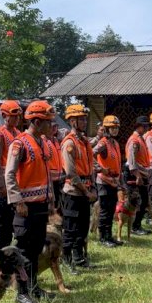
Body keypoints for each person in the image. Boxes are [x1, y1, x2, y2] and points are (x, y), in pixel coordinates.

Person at [4, 100, 56, 303]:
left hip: (40, 206)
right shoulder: (20, 144)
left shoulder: (42, 142)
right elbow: (9, 174)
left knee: (35, 249)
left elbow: (45, 174)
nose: (50, 126)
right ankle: (22, 292)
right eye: (47, 122)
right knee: (24, 250)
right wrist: (18, 201)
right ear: (35, 121)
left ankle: (34, 286)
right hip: (25, 208)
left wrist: (50, 197)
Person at [60, 104, 97, 271]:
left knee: (82, 228)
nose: (84, 121)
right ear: (72, 121)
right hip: (74, 193)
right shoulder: (69, 143)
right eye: (81, 119)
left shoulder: (83, 141)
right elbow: (71, 172)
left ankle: (79, 258)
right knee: (70, 228)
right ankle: (66, 259)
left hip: (85, 191)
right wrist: (86, 191)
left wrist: (92, 188)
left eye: (84, 118)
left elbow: (90, 168)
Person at [0, 100, 22, 248]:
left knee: (14, 221)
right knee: (2, 224)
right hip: (3, 187)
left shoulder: (19, 134)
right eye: (13, 116)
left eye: (18, 116)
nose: (16, 119)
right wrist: (0, 186)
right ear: (4, 116)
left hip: (15, 184)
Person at [93, 115, 125, 248]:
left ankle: (109, 236)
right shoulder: (103, 143)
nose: (115, 130)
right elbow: (91, 154)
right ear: (106, 128)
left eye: (117, 128)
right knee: (105, 210)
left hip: (114, 181)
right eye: (112, 128)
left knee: (112, 210)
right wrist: (99, 168)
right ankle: (102, 237)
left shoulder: (115, 143)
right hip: (104, 182)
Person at [125, 116, 152, 235]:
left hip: (142, 174)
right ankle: (134, 227)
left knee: (144, 200)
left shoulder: (140, 139)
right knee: (137, 201)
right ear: (138, 126)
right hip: (135, 175)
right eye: (144, 126)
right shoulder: (134, 140)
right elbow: (132, 161)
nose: (146, 128)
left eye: (147, 126)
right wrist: (138, 176)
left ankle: (137, 225)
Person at [46, 121, 64, 211]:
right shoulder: (44, 140)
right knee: (51, 202)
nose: (54, 128)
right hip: (49, 179)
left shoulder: (56, 140)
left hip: (59, 178)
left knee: (58, 202)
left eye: (56, 126)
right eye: (52, 126)